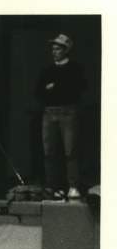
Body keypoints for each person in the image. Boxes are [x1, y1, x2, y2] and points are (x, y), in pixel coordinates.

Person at [36, 33, 87, 199]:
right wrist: (54, 89)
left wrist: (54, 87)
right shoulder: (47, 70)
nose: (54, 51)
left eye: (57, 48)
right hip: (49, 113)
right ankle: (53, 187)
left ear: (66, 50)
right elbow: (38, 92)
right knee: (50, 152)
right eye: (53, 49)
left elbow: (77, 90)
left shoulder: (75, 69)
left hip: (68, 112)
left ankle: (73, 186)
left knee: (70, 151)